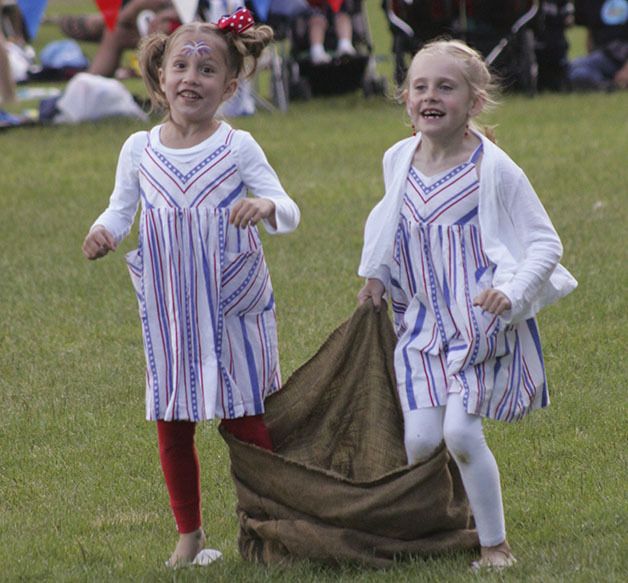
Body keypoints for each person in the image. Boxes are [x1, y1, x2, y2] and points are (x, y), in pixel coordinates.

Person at [82, 8, 300, 567]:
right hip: (171, 309)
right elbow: (120, 207)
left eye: (207, 71)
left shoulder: (238, 146)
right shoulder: (140, 148)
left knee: (245, 418)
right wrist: (104, 230)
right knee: (173, 418)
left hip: (232, 307)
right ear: (159, 78)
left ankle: (270, 526)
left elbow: (289, 206)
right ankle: (190, 534)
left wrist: (267, 205)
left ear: (229, 86)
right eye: (181, 66)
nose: (191, 79)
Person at [357, 39, 577, 570]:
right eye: (420, 86)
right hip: (421, 328)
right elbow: (387, 224)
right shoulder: (399, 158)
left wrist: (513, 293)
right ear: (405, 97)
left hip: (479, 328)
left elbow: (546, 242)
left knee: (459, 432)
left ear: (475, 102)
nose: (430, 96)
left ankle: (494, 545)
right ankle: (449, 523)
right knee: (421, 441)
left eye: (446, 87)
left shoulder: (494, 169)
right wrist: (375, 277)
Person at [568, 0, 628, 90]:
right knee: (574, 71)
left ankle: (610, 86)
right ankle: (608, 84)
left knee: (576, 71)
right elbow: (591, 32)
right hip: (602, 57)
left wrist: (626, 70)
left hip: (620, 53)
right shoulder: (590, 3)